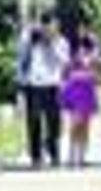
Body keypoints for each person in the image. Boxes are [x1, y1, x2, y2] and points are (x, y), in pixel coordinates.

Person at [16, 13, 70, 167]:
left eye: (52, 26)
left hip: (53, 84)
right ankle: (36, 157)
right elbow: (21, 61)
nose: (49, 29)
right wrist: (20, 83)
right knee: (34, 121)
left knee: (54, 122)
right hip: (33, 84)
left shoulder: (61, 42)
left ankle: (54, 153)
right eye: (46, 26)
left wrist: (51, 44)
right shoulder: (29, 40)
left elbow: (64, 62)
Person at [60, 34, 101, 167]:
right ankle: (72, 157)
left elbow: (98, 78)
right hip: (75, 93)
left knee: (85, 126)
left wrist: (91, 72)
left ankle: (81, 157)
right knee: (75, 125)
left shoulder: (94, 60)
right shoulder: (73, 59)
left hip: (87, 93)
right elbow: (65, 74)